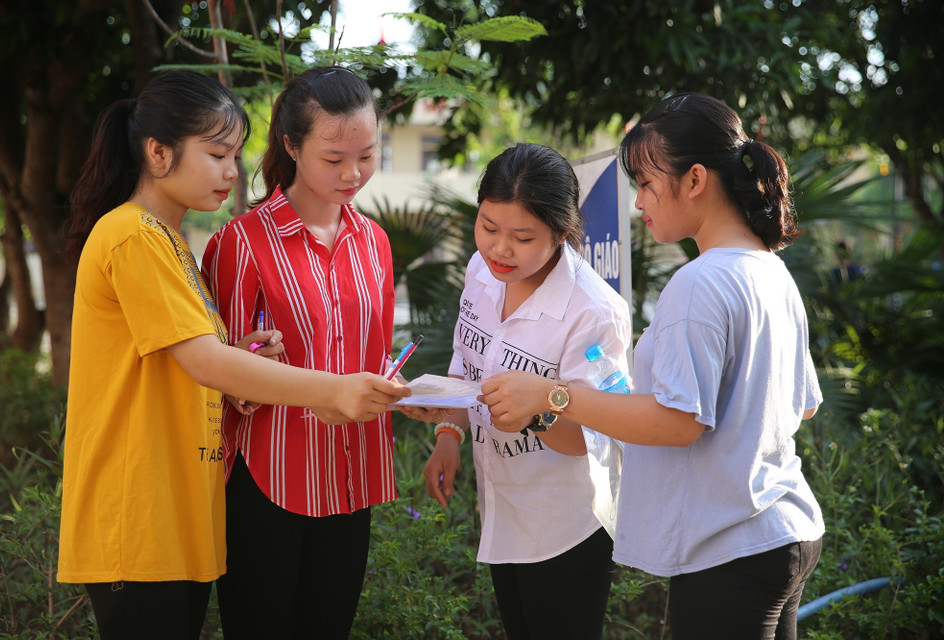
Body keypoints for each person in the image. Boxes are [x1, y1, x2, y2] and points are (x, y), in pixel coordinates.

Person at [58, 69, 407, 640]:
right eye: (217, 154)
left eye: (235, 155)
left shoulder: (169, 243)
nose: (231, 171)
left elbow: (193, 364)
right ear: (157, 151)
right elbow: (202, 361)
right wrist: (334, 388)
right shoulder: (133, 235)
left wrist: (242, 358)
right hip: (140, 516)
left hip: (176, 515)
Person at [481, 93, 825, 640]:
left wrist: (554, 396)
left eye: (645, 183)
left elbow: (678, 422)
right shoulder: (769, 268)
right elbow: (801, 405)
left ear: (694, 180)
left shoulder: (700, 282)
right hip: (784, 533)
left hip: (729, 547)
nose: (639, 203)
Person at [400, 143, 632, 639]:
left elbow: (596, 435)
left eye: (522, 237)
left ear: (562, 232)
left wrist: (539, 410)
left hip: (565, 526)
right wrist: (448, 431)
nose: (499, 250)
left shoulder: (594, 311)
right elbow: (468, 361)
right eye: (488, 227)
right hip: (501, 506)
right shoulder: (481, 271)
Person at [200, 66, 398, 639]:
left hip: (350, 477)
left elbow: (378, 357)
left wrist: (411, 395)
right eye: (334, 159)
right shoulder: (241, 243)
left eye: (367, 155)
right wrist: (247, 367)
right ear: (291, 145)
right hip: (268, 480)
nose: (353, 173)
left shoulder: (375, 244)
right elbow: (221, 380)